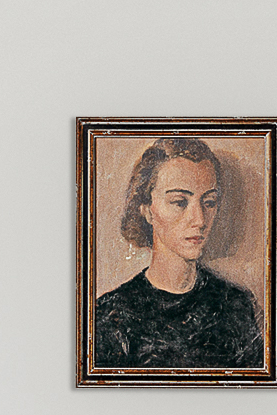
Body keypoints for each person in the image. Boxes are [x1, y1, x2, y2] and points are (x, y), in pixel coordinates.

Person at [90, 133, 266, 374]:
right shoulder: (110, 317)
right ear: (147, 210)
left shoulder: (236, 306)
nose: (200, 220)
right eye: (180, 202)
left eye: (209, 202)